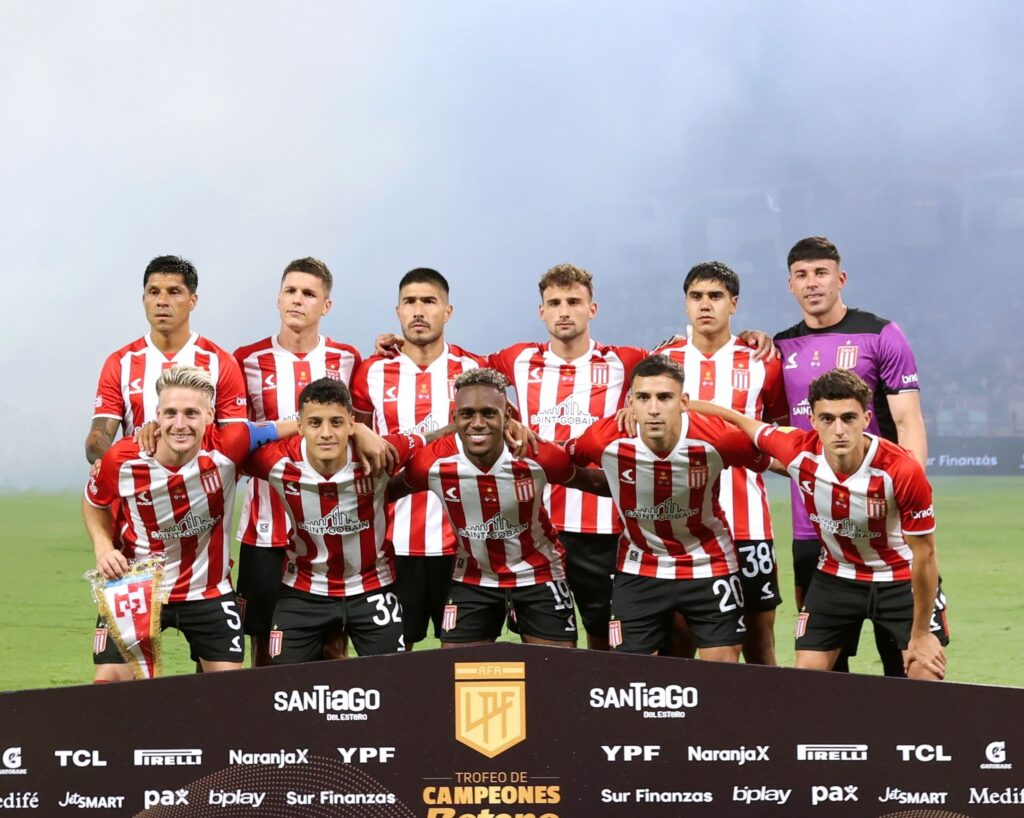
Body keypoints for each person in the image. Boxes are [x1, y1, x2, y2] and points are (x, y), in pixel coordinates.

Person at [691, 369, 948, 680]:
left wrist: (920, 633)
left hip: (900, 579)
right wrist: (683, 406)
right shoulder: (796, 449)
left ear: (866, 419)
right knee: (805, 682)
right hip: (836, 576)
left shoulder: (902, 470)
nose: (839, 430)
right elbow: (739, 421)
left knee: (925, 675)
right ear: (812, 421)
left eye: (848, 418)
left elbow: (925, 555)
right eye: (827, 419)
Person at [774, 236, 943, 675]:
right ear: (790, 285)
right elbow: (773, 432)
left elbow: (908, 422)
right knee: (826, 667)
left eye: (821, 272)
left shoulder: (882, 334)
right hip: (813, 527)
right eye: (801, 275)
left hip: (882, 526)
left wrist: (903, 498)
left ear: (841, 278)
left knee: (902, 658)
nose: (812, 283)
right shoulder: (779, 348)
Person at [83, 367, 283, 682]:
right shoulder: (123, 459)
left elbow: (297, 425)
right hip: (138, 586)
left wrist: (358, 432)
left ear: (210, 416)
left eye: (191, 413)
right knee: (107, 688)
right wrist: (103, 548)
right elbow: (94, 502)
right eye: (171, 413)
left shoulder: (230, 445)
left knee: (232, 695)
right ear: (157, 416)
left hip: (208, 591)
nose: (179, 424)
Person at [567, 355, 771, 661]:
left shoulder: (719, 438)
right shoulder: (603, 438)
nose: (653, 409)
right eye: (643, 398)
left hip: (709, 562)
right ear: (630, 402)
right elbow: (562, 462)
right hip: (639, 566)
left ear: (684, 402)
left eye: (664, 397)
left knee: (723, 670)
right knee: (628, 673)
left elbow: (773, 460)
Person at [487, 264, 647, 650]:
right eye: (554, 303)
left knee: (604, 635)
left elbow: (677, 364)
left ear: (592, 309)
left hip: (600, 526)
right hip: (533, 527)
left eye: (574, 302)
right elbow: (455, 367)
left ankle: (600, 691)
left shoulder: (624, 361)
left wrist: (749, 339)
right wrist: (400, 345)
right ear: (541, 311)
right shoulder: (518, 359)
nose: (564, 311)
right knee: (542, 638)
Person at [400, 368, 608, 648]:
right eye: (467, 414)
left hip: (539, 574)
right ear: (454, 418)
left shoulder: (539, 456)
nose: (477, 423)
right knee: (458, 670)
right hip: (472, 577)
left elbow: (595, 482)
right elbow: (382, 493)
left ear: (507, 416)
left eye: (488, 413)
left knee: (555, 669)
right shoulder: (430, 463)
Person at [655, 262, 788, 665]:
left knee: (759, 642)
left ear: (734, 303)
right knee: (680, 639)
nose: (705, 305)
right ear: (685, 304)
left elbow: (777, 433)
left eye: (715, 296)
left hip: (748, 523)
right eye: (696, 296)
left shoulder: (763, 361)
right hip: (682, 526)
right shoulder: (663, 361)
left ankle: (764, 711)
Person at [233, 257, 363, 666]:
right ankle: (265, 710)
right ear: (278, 298)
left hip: (331, 525)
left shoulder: (347, 358)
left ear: (326, 305)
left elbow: (359, 426)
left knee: (333, 641)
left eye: (308, 293)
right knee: (262, 641)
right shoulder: (247, 359)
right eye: (290, 291)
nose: (297, 300)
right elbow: (237, 438)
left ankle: (333, 708)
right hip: (266, 524)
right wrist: (296, 427)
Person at [350, 269, 486, 649]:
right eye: (410, 302)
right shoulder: (371, 372)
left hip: (461, 543)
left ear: (448, 311)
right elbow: (356, 445)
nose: (419, 310)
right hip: (391, 542)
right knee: (391, 660)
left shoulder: (473, 370)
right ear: (398, 310)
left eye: (429, 301)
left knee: (463, 661)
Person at [244, 378, 424, 663]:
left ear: (351, 424)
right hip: (303, 590)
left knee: (392, 679)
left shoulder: (380, 452)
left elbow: (434, 440)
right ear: (300, 426)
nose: (326, 433)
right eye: (315, 423)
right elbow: (229, 444)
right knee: (282, 682)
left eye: (336, 422)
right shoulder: (278, 461)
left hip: (371, 586)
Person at [86, 255, 246, 465]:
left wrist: (168, 437)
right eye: (153, 292)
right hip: (139, 482)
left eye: (174, 292)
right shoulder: (121, 363)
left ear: (193, 301)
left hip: (198, 482)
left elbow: (236, 441)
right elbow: (97, 439)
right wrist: (111, 464)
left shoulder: (220, 362)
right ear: (143, 299)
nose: (162, 301)